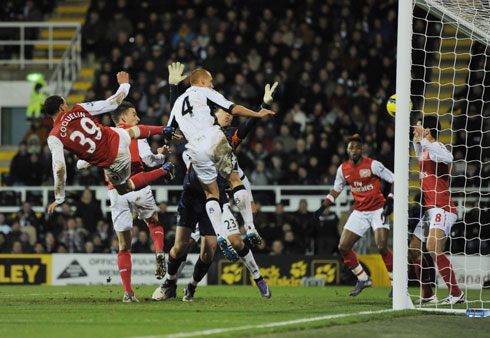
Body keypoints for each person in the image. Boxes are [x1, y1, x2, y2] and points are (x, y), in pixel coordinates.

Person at [152, 64, 275, 301]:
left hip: (215, 197)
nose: (226, 114)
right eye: (221, 111)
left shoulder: (219, 135)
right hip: (192, 194)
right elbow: (233, 109)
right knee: (180, 246)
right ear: (211, 113)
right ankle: (170, 283)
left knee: (210, 251)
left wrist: (173, 88)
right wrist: (260, 110)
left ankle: (195, 285)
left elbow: (171, 128)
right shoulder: (209, 124)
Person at [77, 101, 172, 303]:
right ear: (123, 118)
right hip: (138, 185)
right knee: (154, 222)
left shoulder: (104, 135)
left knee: (123, 245)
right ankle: (159, 250)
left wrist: (91, 159)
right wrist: (161, 157)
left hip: (116, 192)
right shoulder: (137, 134)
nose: (138, 118)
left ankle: (128, 292)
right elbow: (149, 160)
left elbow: (81, 163)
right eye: (134, 114)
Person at [43, 71, 175, 214]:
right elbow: (111, 103)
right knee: (130, 131)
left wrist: (59, 197)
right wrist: (124, 85)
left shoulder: (53, 137)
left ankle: (164, 170)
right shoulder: (79, 108)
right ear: (62, 107)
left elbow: (60, 168)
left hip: (113, 160)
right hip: (116, 137)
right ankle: (164, 129)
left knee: (124, 188)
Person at [315, 134, 394, 296]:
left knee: (381, 247)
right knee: (343, 246)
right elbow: (336, 190)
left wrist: (390, 200)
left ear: (362, 149)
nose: (355, 150)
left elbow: (394, 179)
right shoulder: (343, 169)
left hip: (378, 209)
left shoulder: (373, 165)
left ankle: (396, 282)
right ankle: (363, 278)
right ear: (347, 150)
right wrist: (322, 208)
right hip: (359, 212)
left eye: (358, 147)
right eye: (352, 147)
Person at [409, 117, 464, 305]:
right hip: (430, 210)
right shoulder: (425, 150)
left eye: (419, 126)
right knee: (414, 249)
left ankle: (456, 293)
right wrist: (417, 140)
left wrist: (423, 139)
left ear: (428, 130)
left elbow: (449, 158)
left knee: (432, 248)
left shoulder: (438, 147)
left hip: (443, 207)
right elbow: (421, 153)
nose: (415, 128)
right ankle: (427, 294)